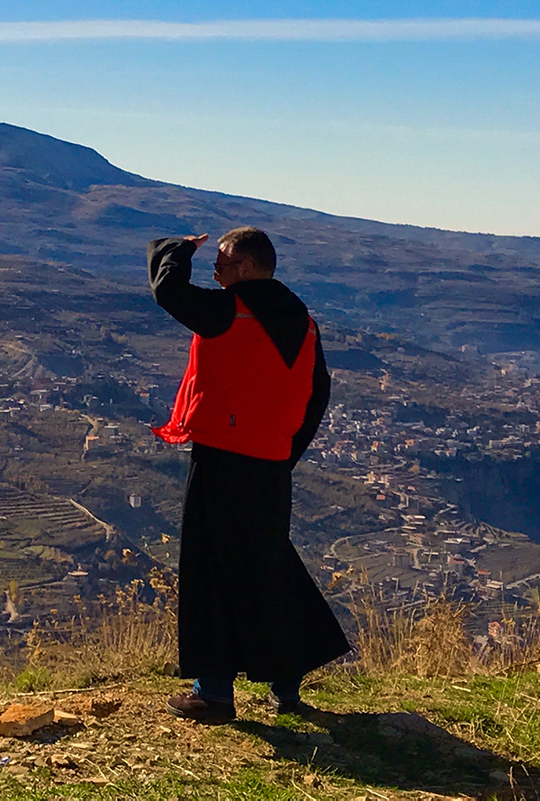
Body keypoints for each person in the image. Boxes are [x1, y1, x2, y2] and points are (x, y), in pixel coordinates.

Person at [148, 226, 349, 722]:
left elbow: (167, 290)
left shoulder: (231, 310)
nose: (215, 271)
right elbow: (316, 394)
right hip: (270, 467)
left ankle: (213, 693)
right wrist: (283, 451)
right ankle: (287, 685)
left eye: (222, 261)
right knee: (268, 568)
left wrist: (177, 250)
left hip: (222, 459)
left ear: (247, 267)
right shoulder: (303, 323)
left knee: (211, 569)